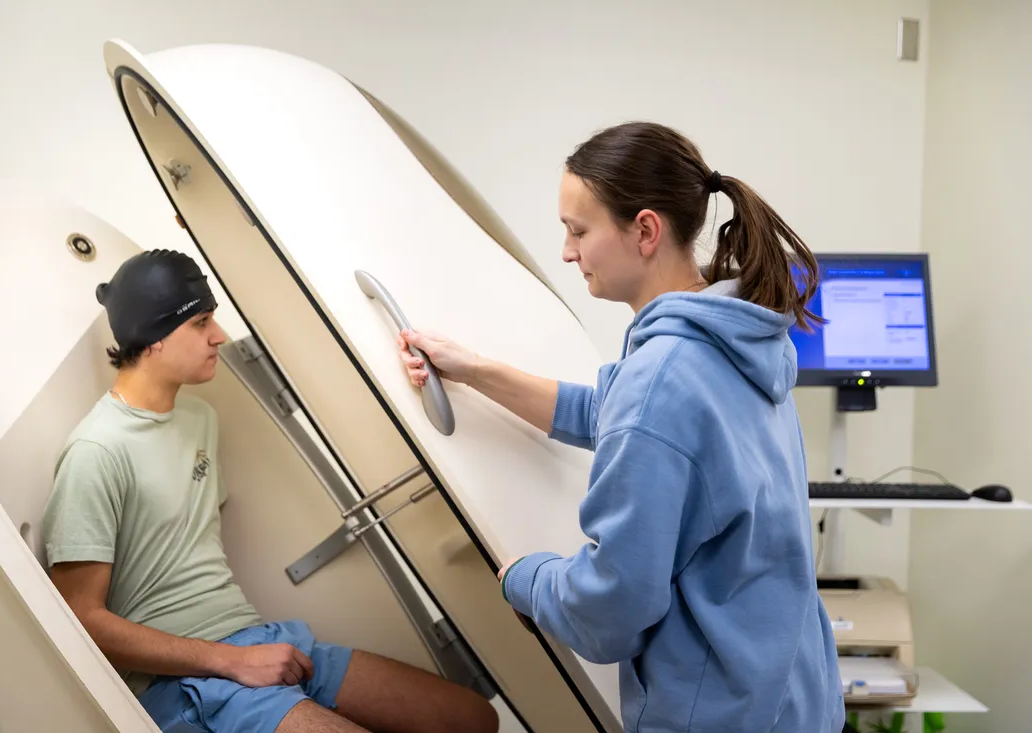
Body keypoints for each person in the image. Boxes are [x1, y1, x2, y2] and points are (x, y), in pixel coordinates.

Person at [397, 122, 845, 732]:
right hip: (793, 698)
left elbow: (612, 609)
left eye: (578, 230)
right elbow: (607, 413)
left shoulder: (661, 379)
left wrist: (522, 578)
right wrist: (473, 369)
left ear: (644, 229)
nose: (566, 251)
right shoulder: (737, 341)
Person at [42, 249, 498, 733]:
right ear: (153, 338)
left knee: (471, 718)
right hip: (186, 683)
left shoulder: (199, 419)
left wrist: (250, 654)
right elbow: (80, 617)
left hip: (256, 638)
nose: (218, 335)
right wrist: (229, 662)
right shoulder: (97, 450)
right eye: (200, 323)